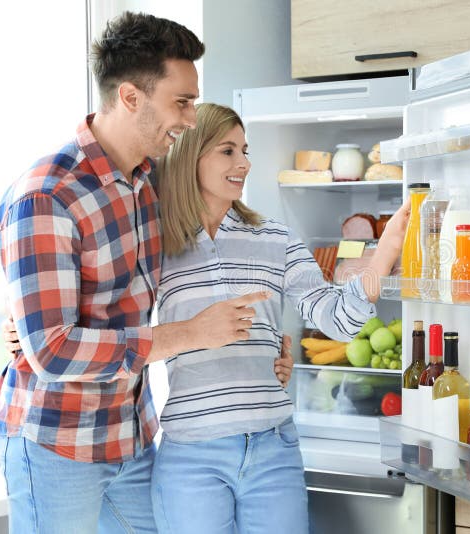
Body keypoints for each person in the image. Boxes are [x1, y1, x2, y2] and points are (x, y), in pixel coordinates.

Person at [0, 12, 278, 534]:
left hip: (130, 436)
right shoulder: (47, 196)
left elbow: (196, 264)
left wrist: (264, 355)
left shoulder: (147, 183)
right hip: (56, 442)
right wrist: (192, 335)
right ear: (130, 97)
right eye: (182, 102)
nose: (190, 119)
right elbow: (52, 349)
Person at [146, 102, 410, 534]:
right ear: (190, 154)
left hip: (273, 447)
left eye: (245, 150)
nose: (244, 164)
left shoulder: (274, 238)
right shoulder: (156, 240)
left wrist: (385, 255)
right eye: (227, 151)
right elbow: (122, 333)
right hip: (191, 455)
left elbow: (336, 320)